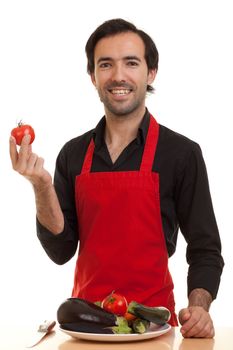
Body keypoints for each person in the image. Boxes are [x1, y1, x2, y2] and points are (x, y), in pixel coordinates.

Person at [9, 18, 224, 338]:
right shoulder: (72, 154)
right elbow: (60, 250)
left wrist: (199, 308)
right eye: (106, 64)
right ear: (93, 76)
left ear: (150, 72)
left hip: (153, 325)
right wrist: (41, 184)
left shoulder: (181, 154)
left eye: (131, 63)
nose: (118, 75)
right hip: (84, 325)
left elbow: (205, 250)